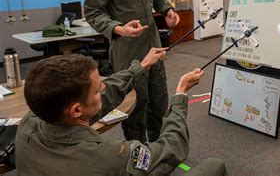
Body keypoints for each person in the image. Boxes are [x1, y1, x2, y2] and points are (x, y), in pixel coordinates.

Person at [16, 48, 226, 176]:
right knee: (214, 166)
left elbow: (105, 96)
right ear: (76, 110)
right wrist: (180, 95)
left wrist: (140, 67)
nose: (104, 88)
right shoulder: (112, 157)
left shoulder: (30, 121)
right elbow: (173, 148)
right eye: (98, 89)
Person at [84, 0, 180, 142]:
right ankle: (138, 156)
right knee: (133, 109)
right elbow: (93, 12)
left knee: (159, 104)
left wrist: (167, 9)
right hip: (127, 53)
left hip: (153, 47)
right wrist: (118, 28)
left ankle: (159, 152)